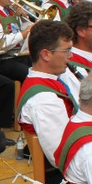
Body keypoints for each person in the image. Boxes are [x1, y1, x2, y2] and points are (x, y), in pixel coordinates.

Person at [17, 20, 78, 172]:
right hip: (66, 179)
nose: (71, 56)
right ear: (46, 54)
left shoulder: (51, 80)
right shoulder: (43, 100)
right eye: (67, 51)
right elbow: (61, 156)